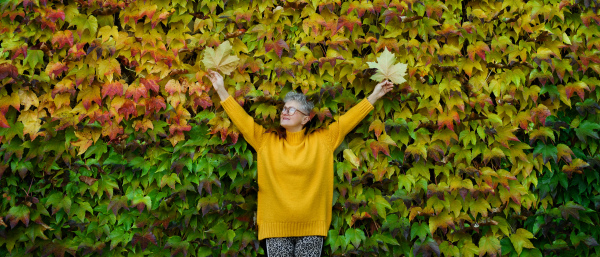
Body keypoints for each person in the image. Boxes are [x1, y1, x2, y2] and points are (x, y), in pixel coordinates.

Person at [206, 70, 394, 257]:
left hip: (312, 228)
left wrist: (375, 95)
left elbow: (348, 121)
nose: (285, 112)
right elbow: (242, 120)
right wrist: (221, 89)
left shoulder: (323, 140)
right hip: (275, 229)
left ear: (306, 119)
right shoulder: (265, 140)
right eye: (284, 109)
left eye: (292, 109)